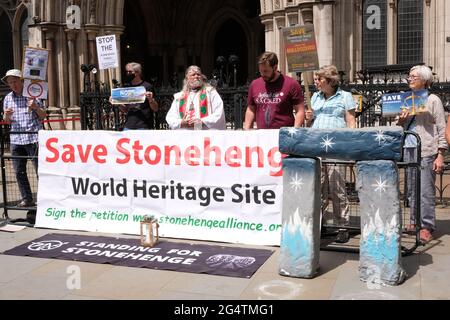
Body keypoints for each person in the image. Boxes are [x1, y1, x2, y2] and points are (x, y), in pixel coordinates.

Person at [397, 65, 447, 243]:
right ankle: (413, 221)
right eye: (409, 77)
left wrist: (440, 154)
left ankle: (426, 226)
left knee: (425, 190)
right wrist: (401, 119)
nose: (409, 79)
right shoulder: (406, 99)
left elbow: (441, 127)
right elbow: (399, 127)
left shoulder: (433, 99)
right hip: (409, 148)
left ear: (424, 80)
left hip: (426, 149)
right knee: (411, 188)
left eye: (414, 77)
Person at [306, 65, 356, 226]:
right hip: (317, 145)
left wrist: (350, 148)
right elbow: (310, 121)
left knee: (337, 187)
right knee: (318, 186)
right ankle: (319, 223)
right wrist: (309, 117)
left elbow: (351, 121)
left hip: (336, 146)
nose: (316, 82)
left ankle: (342, 224)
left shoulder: (345, 96)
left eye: (319, 79)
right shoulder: (315, 97)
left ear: (329, 80)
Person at [1, 69, 46, 207]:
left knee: (40, 170)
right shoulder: (8, 98)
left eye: (15, 81)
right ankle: (27, 198)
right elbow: (6, 121)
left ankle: (44, 198)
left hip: (33, 138)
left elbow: (43, 115)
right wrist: (6, 116)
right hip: (16, 140)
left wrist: (35, 107)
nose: (13, 85)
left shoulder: (33, 94)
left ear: (21, 81)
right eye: (10, 83)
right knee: (19, 171)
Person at [243, 52, 305, 129]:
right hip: (262, 135)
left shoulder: (291, 84)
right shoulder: (254, 84)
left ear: (275, 68)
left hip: (284, 135)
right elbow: (251, 109)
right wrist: (247, 130)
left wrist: (295, 131)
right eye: (260, 71)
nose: (262, 74)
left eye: (265, 71)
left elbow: (300, 110)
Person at [166, 65, 226, 130]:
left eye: (198, 74)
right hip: (185, 136)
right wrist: (182, 122)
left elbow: (219, 112)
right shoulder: (180, 97)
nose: (196, 76)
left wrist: (202, 121)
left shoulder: (210, 92)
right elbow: (170, 117)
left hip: (204, 134)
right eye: (193, 75)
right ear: (187, 78)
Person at [119, 62, 158, 130]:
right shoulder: (126, 87)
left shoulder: (147, 86)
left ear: (137, 73)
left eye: (130, 72)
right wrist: (117, 103)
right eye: (127, 72)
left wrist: (151, 100)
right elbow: (125, 110)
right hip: (129, 125)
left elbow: (155, 108)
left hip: (144, 125)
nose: (128, 74)